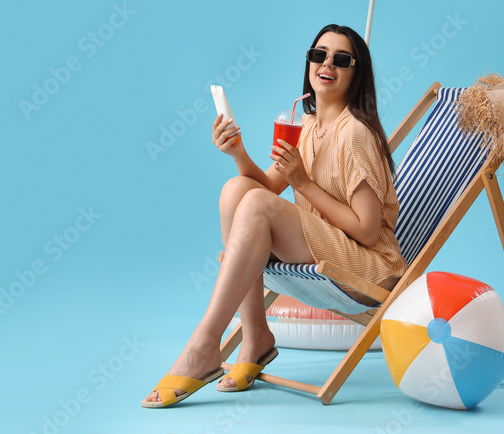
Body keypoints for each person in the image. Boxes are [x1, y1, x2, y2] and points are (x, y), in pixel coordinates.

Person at [142, 24, 406, 408]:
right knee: (236, 191)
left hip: (368, 268)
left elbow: (367, 231)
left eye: (341, 59)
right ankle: (255, 339)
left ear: (355, 73)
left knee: (257, 204)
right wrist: (237, 153)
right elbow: (263, 187)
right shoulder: (308, 125)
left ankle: (205, 345)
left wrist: (303, 182)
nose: (327, 63)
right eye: (319, 54)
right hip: (322, 246)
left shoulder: (356, 135)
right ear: (310, 63)